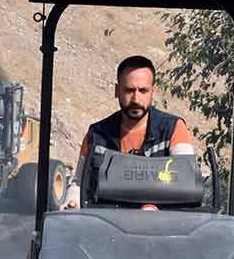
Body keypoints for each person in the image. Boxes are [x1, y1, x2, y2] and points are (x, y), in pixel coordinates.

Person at [65, 54, 197, 209]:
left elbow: (187, 184)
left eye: (143, 90)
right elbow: (79, 183)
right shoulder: (97, 134)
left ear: (153, 92)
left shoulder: (173, 129)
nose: (136, 99)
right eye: (129, 90)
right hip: (105, 225)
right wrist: (72, 201)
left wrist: (153, 207)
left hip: (161, 227)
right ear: (117, 90)